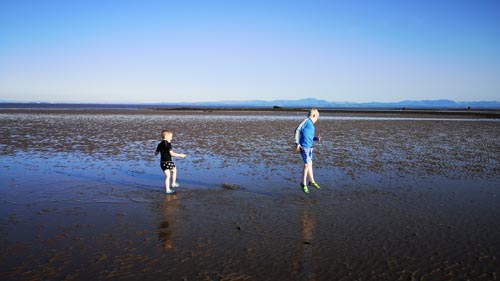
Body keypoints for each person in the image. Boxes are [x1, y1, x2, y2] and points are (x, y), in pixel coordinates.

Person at [294, 108, 321, 193]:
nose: (317, 120)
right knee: (307, 164)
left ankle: (312, 181)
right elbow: (297, 130)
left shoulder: (312, 126)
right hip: (303, 147)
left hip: (309, 148)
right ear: (314, 115)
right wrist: (297, 143)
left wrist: (316, 138)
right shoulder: (306, 121)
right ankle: (303, 183)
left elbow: (309, 137)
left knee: (310, 163)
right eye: (317, 118)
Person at [155, 130, 186, 194]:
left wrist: (161, 151)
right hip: (168, 161)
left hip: (162, 162)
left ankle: (167, 190)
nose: (171, 138)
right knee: (174, 170)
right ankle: (173, 183)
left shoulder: (159, 144)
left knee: (167, 176)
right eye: (171, 137)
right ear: (166, 136)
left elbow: (156, 153)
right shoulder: (168, 144)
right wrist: (180, 155)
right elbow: (172, 154)